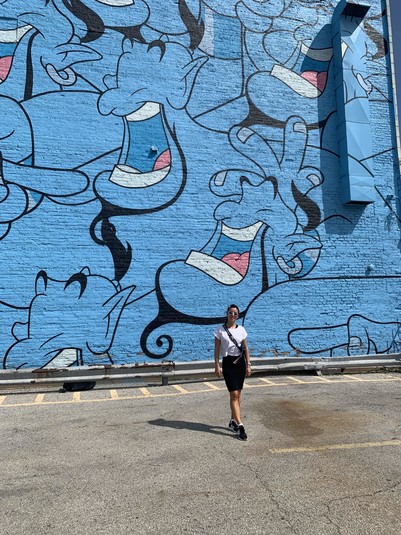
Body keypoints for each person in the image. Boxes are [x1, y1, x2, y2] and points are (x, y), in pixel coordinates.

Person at [214, 304, 251, 440]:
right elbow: (217, 350)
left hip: (240, 363)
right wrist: (217, 365)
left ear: (238, 316)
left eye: (235, 313)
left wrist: (248, 365)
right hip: (228, 363)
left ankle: (233, 422)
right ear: (227, 313)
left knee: (237, 395)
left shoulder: (241, 330)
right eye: (231, 312)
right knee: (234, 394)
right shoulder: (220, 330)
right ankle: (240, 426)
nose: (233, 315)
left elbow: (246, 348)